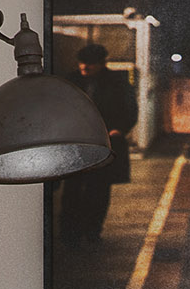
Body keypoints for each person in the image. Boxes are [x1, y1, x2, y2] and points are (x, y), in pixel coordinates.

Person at [56, 46, 137, 245]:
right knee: (72, 190)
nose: (85, 67)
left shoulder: (116, 82)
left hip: (104, 142)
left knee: (98, 189)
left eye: (90, 63)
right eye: (82, 63)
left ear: (102, 64)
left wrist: (119, 128)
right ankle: (70, 233)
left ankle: (93, 231)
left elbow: (130, 109)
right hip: (76, 143)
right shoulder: (71, 80)